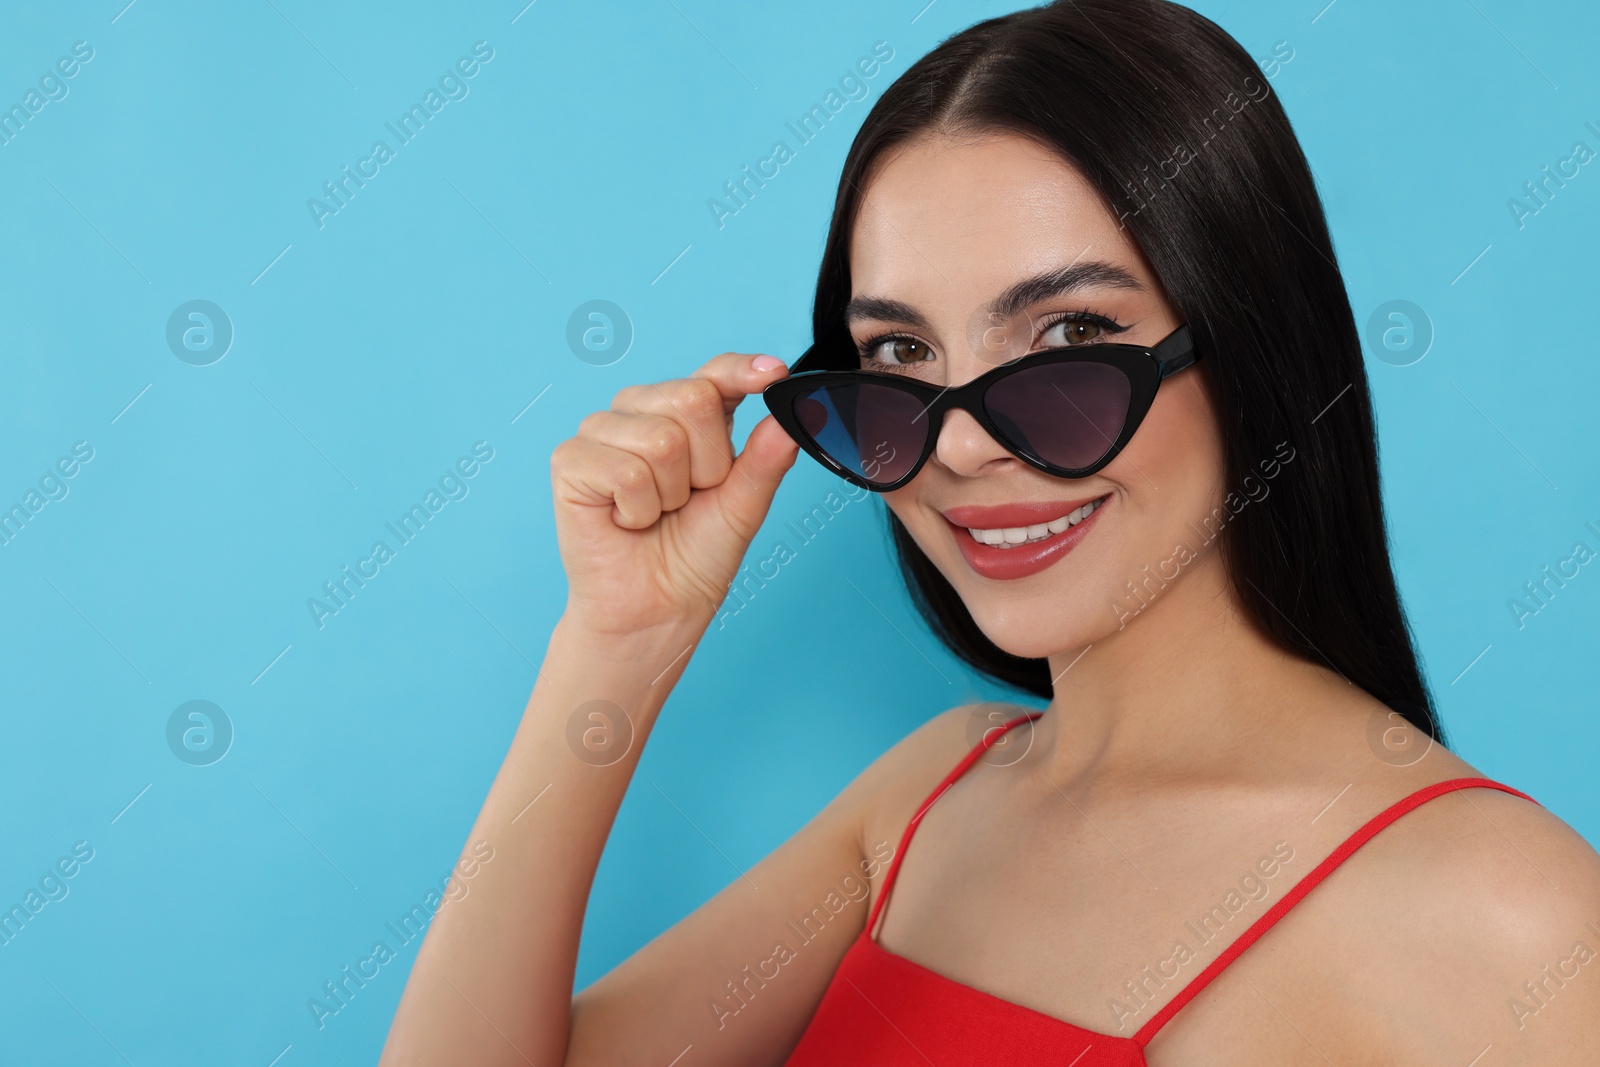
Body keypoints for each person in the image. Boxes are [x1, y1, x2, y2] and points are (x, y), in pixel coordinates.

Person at [381, 1, 1600, 1063]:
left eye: (1068, 339)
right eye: (900, 354)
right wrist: (615, 642)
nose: (959, 445)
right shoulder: (930, 797)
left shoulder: (1509, 914)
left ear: (1253, 347)